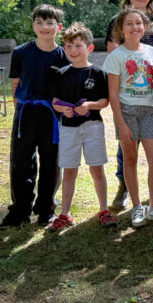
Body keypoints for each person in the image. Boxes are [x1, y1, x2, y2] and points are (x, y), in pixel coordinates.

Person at [0, 4, 69, 229]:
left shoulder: (65, 55)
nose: (44, 27)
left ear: (59, 27)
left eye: (49, 23)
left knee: (51, 163)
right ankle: (19, 210)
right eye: (39, 22)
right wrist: (20, 108)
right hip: (26, 113)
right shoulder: (21, 52)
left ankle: (46, 208)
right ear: (33, 25)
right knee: (21, 162)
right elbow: (15, 83)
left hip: (53, 116)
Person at [106, 0, 153, 211]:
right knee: (127, 144)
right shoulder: (117, 20)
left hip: (152, 94)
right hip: (127, 97)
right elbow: (115, 56)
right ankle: (124, 186)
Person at [47, 23, 116, 232]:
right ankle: (65, 213)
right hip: (68, 128)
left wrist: (89, 106)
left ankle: (103, 209)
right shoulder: (61, 73)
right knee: (69, 171)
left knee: (97, 169)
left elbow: (105, 101)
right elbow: (55, 101)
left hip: (93, 127)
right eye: (68, 46)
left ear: (89, 48)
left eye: (78, 46)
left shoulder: (98, 73)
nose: (73, 51)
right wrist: (63, 110)